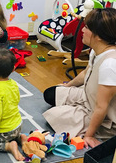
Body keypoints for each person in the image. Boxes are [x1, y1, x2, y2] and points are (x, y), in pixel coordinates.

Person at [43, 8, 116, 149]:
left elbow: (102, 107)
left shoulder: (110, 64)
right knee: (51, 93)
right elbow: (85, 74)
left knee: (54, 117)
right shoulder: (97, 50)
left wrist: (89, 135)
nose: (82, 30)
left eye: (87, 27)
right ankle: (71, 107)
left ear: (99, 36)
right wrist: (67, 86)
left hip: (103, 116)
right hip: (87, 95)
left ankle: (88, 126)